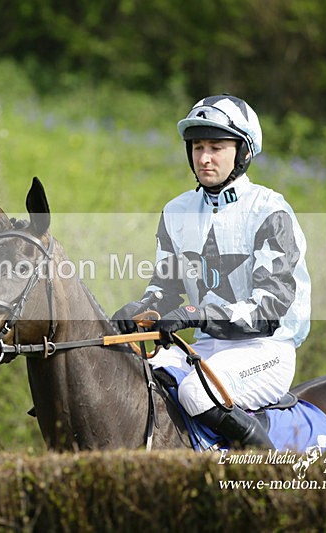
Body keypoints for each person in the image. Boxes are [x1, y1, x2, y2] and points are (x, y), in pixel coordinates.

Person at [112, 94, 311, 448]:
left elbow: (269, 311)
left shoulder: (270, 211)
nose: (204, 158)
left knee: (195, 392)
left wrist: (197, 314)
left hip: (266, 351)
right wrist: (140, 310)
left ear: (243, 152)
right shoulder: (176, 211)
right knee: (127, 372)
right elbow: (165, 289)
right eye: (197, 147)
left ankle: (271, 467)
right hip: (206, 349)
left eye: (216, 148)